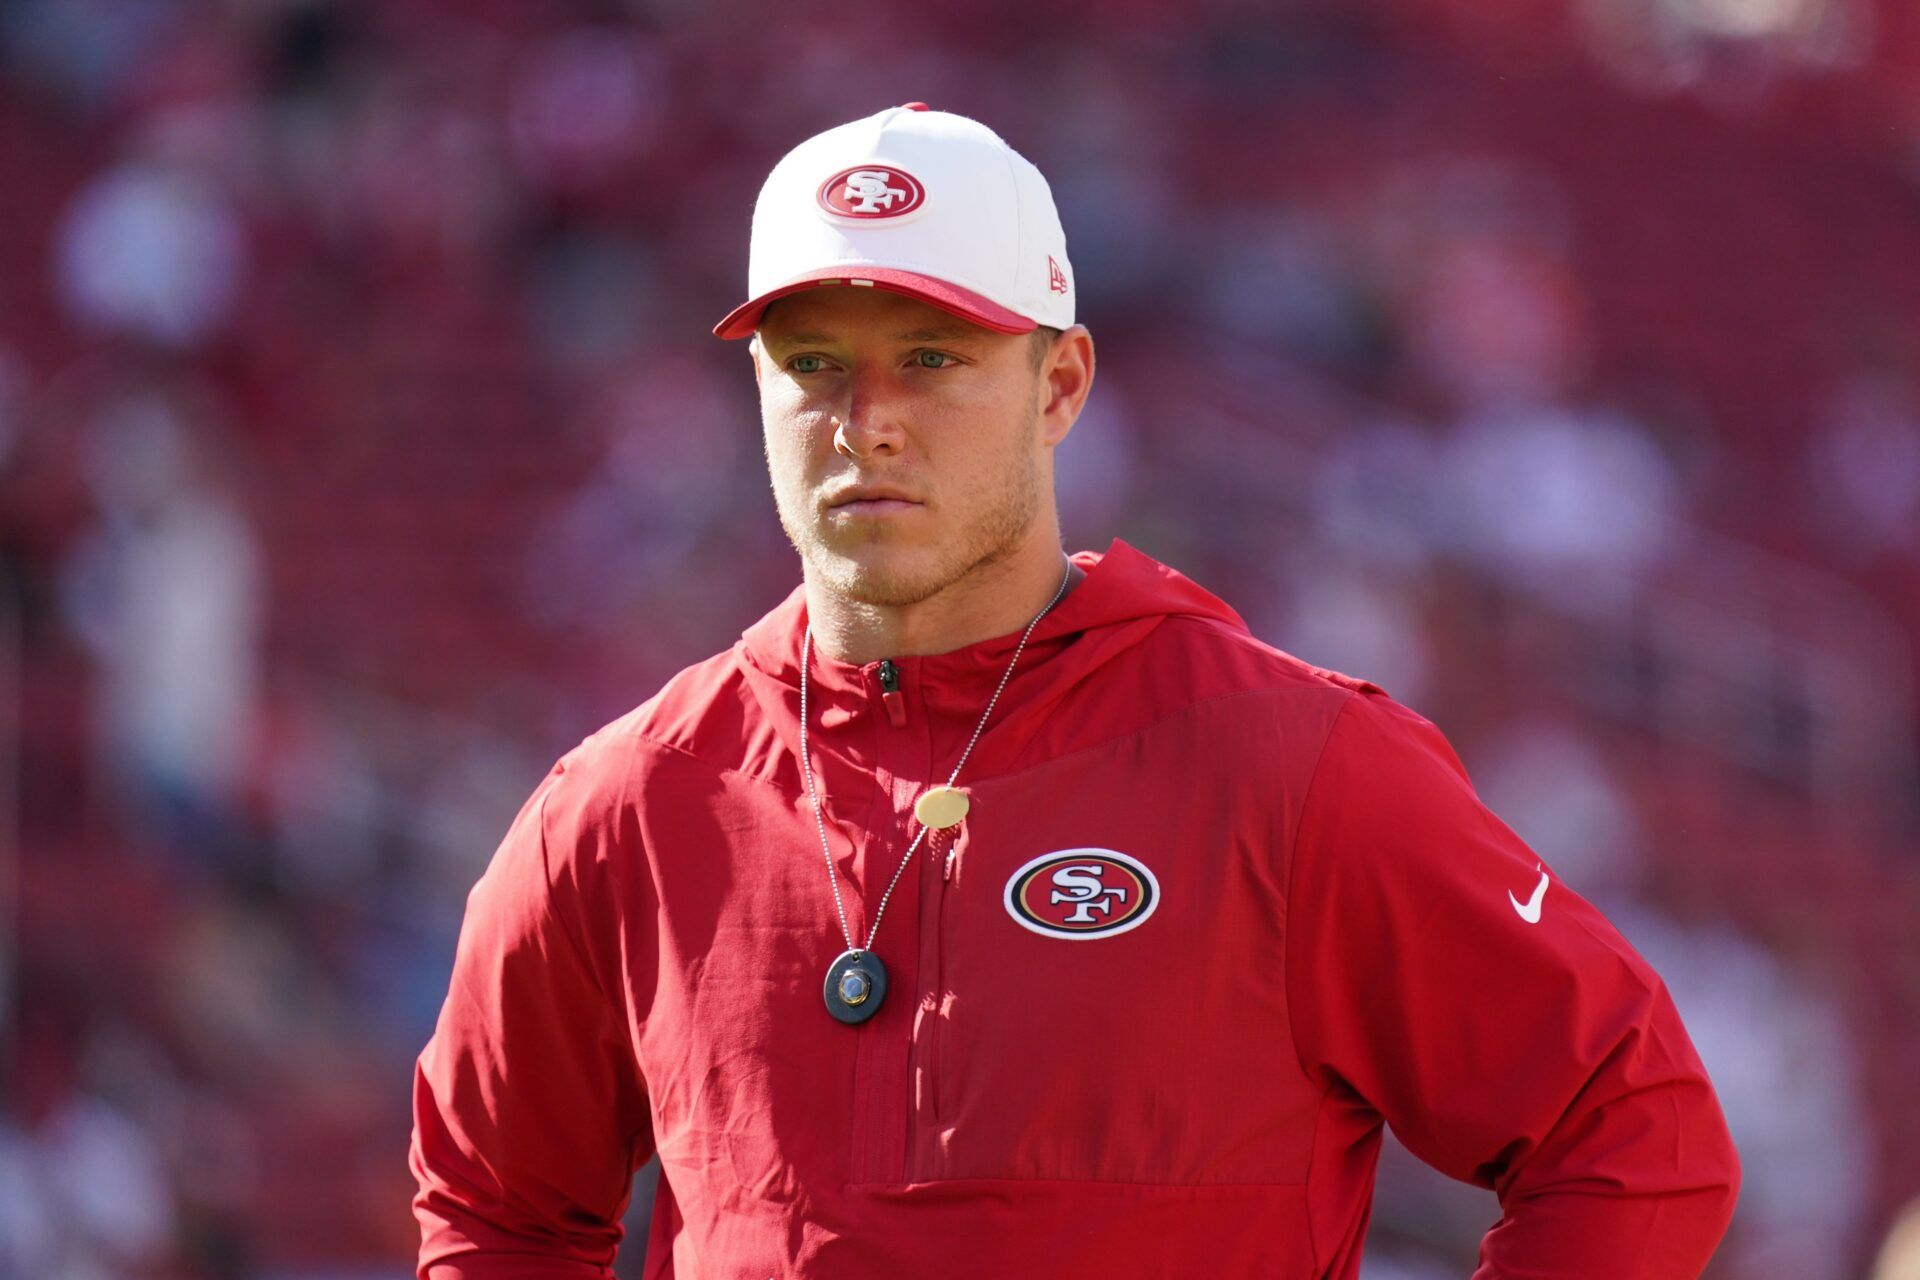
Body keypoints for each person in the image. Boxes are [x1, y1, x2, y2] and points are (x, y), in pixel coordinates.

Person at [409, 104, 1741, 1280]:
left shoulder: (1291, 761)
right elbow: (495, 1208)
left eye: (933, 356)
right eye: (813, 360)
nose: (866, 415)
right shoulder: (625, 801)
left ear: (1060, 386)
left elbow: (1632, 1124)